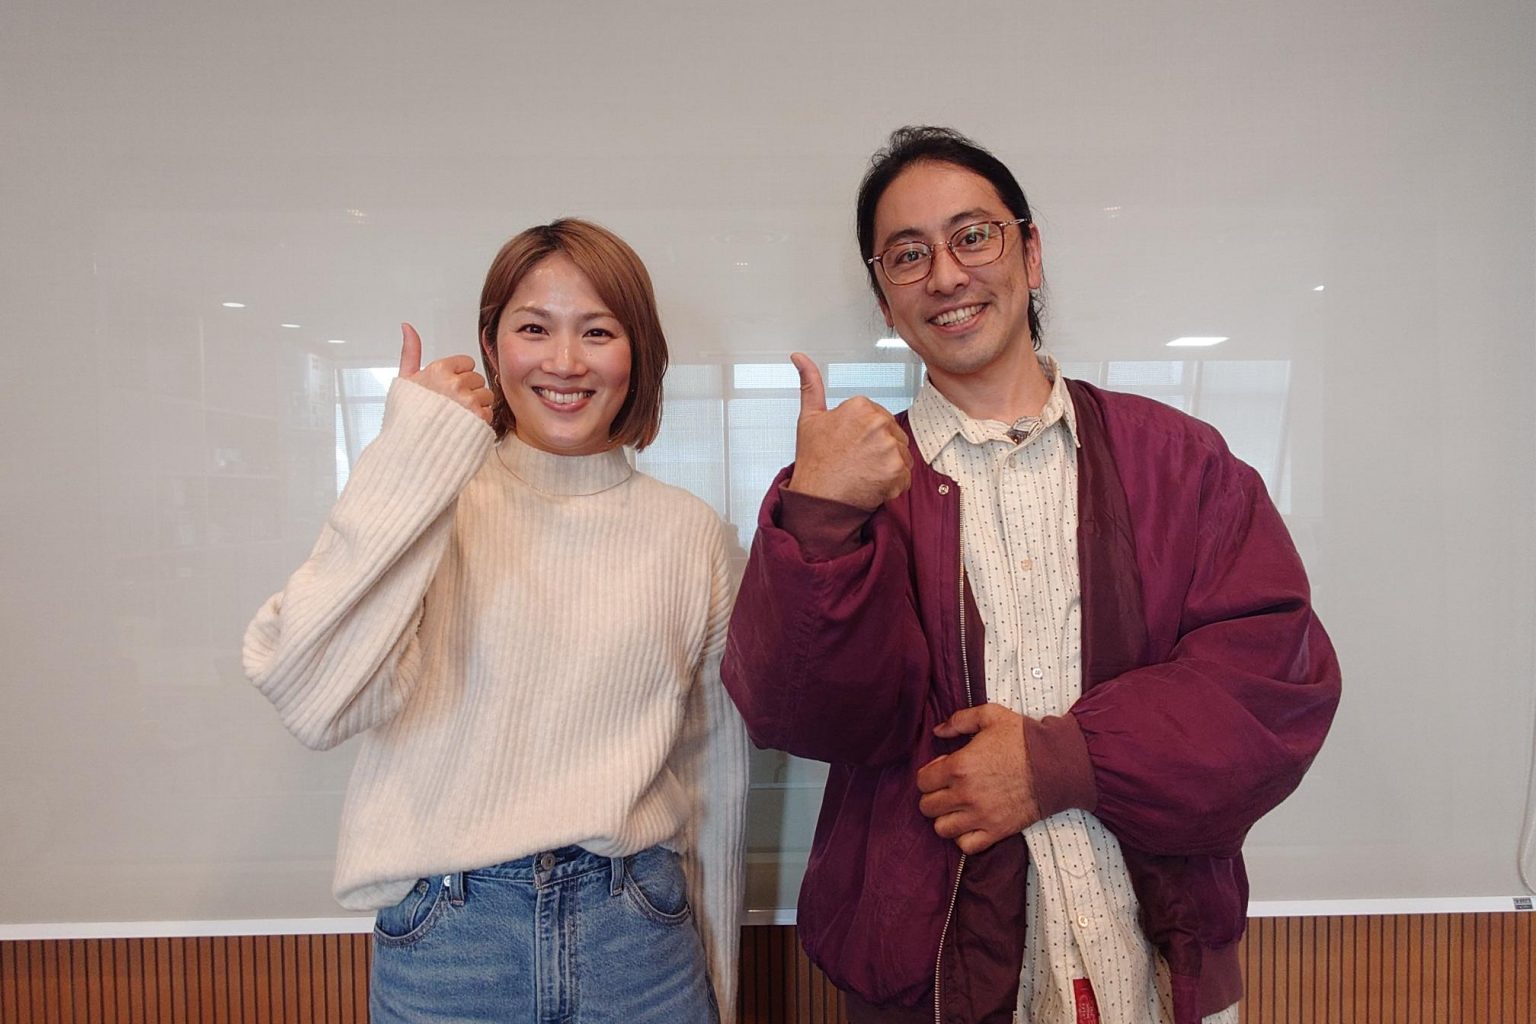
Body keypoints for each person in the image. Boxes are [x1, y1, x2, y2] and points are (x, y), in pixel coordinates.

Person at [721, 127, 1340, 1024]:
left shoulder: (1179, 460)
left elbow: (1273, 686)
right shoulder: (849, 486)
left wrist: (1061, 762)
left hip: (1156, 961)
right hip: (934, 978)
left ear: (1031, 252)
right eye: (909, 255)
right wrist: (820, 519)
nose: (946, 275)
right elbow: (800, 715)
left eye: (974, 236)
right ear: (885, 301)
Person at [244, 219, 748, 1023]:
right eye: (534, 328)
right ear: (491, 343)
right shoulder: (429, 500)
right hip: (449, 942)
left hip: (640, 935)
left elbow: (712, 774)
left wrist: (715, 983)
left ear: (639, 353)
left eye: (598, 331)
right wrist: (412, 456)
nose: (565, 361)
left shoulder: (694, 535)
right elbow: (314, 699)